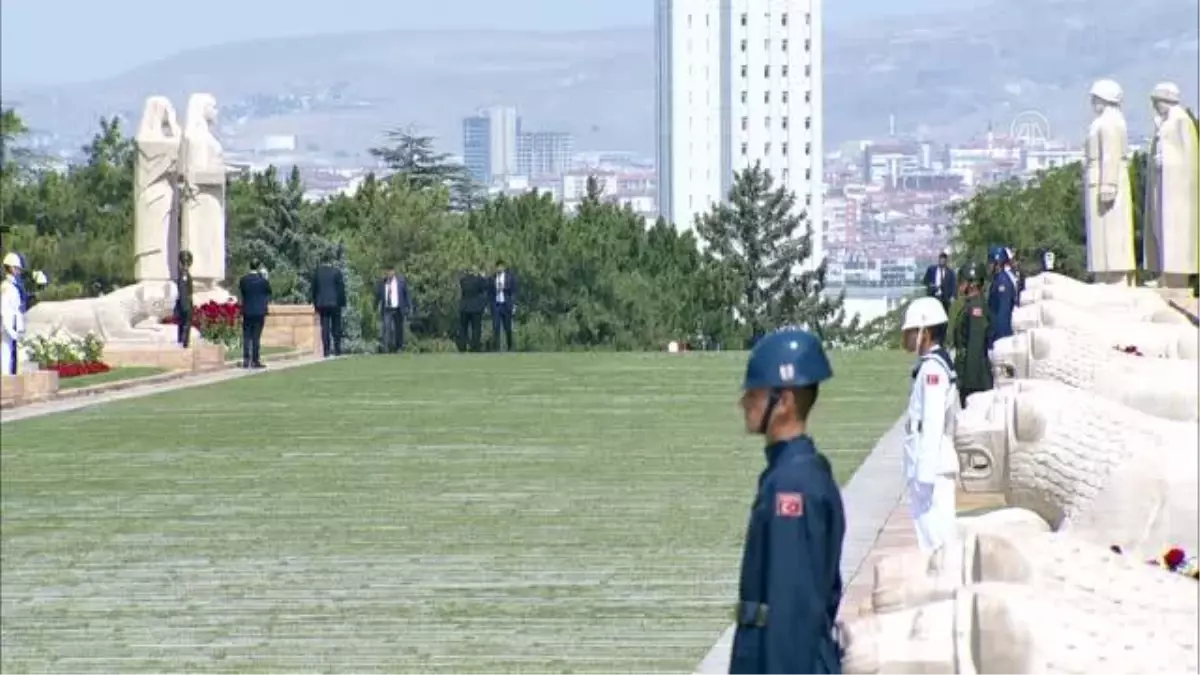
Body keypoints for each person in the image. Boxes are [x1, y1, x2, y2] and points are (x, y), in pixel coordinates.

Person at [729, 328, 845, 674]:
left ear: (785, 400)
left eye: (755, 392)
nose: (745, 402)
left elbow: (791, 612)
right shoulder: (793, 472)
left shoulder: (791, 486)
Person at [900, 297, 961, 553]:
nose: (909, 338)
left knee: (936, 539)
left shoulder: (933, 370)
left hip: (932, 464)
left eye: (913, 331)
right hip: (929, 460)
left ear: (926, 331)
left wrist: (923, 472)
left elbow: (934, 421)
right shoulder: (929, 366)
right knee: (931, 535)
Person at [953, 262, 993, 408]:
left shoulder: (976, 308)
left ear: (972, 283)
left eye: (962, 281)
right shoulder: (971, 305)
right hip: (970, 372)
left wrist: (969, 382)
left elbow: (975, 345)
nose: (959, 285)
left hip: (975, 377)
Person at [238, 260, 272, 369]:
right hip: (259, 312)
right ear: (258, 267)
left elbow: (242, 292)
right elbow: (268, 292)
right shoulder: (262, 281)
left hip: (247, 311)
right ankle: (255, 360)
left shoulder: (243, 280)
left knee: (247, 336)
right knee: (256, 337)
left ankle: (246, 360)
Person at [311, 255, 346, 357]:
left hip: (322, 303)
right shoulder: (336, 272)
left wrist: (315, 303)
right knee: (336, 326)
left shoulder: (317, 273)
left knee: (324, 327)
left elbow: (314, 289)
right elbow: (341, 289)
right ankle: (337, 350)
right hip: (335, 303)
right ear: (330, 262)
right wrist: (342, 303)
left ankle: (326, 351)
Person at [375, 266, 411, 353]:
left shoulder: (401, 281)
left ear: (394, 272)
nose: (389, 273)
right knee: (386, 328)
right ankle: (386, 348)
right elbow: (378, 295)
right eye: (387, 272)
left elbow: (406, 294)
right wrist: (376, 306)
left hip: (398, 308)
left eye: (391, 271)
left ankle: (399, 347)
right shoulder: (383, 283)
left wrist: (408, 306)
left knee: (399, 328)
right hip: (387, 308)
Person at [986, 247, 1016, 349]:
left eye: (990, 262)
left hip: (1001, 336)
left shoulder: (1002, 283)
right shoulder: (997, 280)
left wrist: (996, 337)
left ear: (998, 264)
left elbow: (1002, 313)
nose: (988, 265)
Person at [1, 252, 25, 376]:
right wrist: (9, 329)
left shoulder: (13, 286)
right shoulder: (6, 287)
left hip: (14, 325)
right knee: (6, 353)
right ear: (10, 268)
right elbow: (4, 310)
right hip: (7, 326)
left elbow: (17, 310)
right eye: (16, 268)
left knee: (14, 357)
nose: (19, 271)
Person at [457, 267, 488, 353]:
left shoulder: (463, 280)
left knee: (463, 328)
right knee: (476, 328)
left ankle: (462, 347)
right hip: (475, 308)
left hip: (464, 307)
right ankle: (474, 347)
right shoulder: (478, 280)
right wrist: (482, 277)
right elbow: (485, 287)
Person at [489, 259, 518, 352]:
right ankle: (496, 348)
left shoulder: (509, 277)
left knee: (507, 327)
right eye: (498, 267)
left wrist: (514, 305)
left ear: (504, 267)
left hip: (506, 305)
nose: (499, 268)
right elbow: (489, 292)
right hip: (496, 305)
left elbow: (513, 291)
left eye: (501, 266)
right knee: (496, 327)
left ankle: (510, 346)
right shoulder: (493, 278)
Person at [174, 250, 195, 348]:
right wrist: (185, 306)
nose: (187, 265)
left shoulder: (184, 274)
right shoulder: (184, 275)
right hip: (185, 303)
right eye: (186, 262)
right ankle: (184, 343)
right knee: (185, 324)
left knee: (184, 324)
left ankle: (183, 342)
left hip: (185, 302)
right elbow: (183, 291)